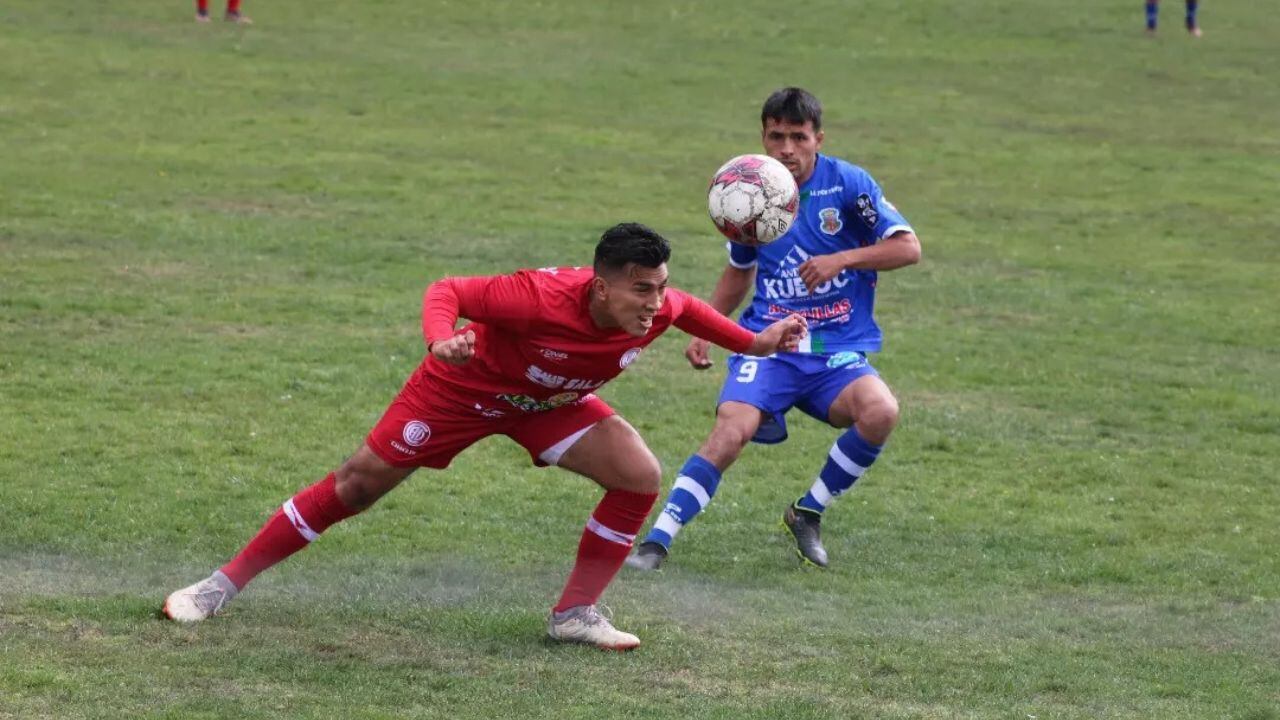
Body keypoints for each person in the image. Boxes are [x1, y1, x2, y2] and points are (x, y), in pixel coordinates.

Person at [162, 223, 807, 650]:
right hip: (462, 391)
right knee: (356, 486)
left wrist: (757, 341)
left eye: (660, 287)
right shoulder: (534, 295)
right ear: (600, 285)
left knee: (637, 476)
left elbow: (698, 314)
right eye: (642, 290)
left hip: (546, 403)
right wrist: (441, 341)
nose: (655, 303)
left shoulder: (658, 308)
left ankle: (574, 614)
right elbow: (448, 289)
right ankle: (219, 586)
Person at [626, 87, 921, 572]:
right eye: (777, 136)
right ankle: (656, 543)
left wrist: (842, 259)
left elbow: (908, 248)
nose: (787, 149)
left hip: (833, 348)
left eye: (798, 137)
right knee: (730, 432)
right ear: (763, 137)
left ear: (817, 139)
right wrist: (708, 328)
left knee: (880, 411)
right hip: (767, 344)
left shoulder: (848, 184)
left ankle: (807, 512)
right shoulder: (751, 191)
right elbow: (740, 270)